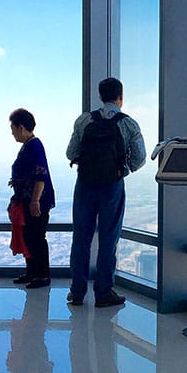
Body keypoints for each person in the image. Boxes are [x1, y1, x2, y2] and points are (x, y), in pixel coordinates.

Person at [65, 77, 145, 307]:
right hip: (112, 185)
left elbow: (71, 153)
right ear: (121, 97)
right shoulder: (128, 124)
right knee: (109, 238)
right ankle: (103, 292)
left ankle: (77, 292)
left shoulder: (84, 121)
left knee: (81, 238)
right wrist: (122, 169)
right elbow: (139, 159)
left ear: (100, 96)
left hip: (85, 184)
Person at [8, 108, 55, 289]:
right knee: (28, 236)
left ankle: (42, 275)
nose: (12, 132)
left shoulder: (35, 145)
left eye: (13, 128)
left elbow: (40, 175)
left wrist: (35, 200)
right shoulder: (28, 145)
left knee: (36, 237)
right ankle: (32, 272)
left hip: (37, 201)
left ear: (21, 127)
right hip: (27, 200)